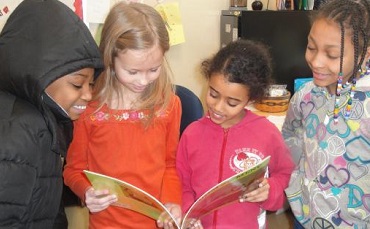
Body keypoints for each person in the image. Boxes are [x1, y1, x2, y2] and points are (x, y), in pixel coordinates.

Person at [63, 2, 182, 229]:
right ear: (110, 58)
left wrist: (173, 203)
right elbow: (73, 170)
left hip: (156, 222)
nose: (143, 80)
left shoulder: (169, 105)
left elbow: (170, 165)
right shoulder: (90, 109)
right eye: (132, 71)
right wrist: (86, 191)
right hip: (106, 224)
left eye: (154, 69)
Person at [0, 0, 104, 228]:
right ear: (38, 75)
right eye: (78, 85)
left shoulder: (42, 119)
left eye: (92, 84)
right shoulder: (24, 134)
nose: (88, 95)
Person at [176, 39, 295, 229]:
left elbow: (286, 176)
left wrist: (270, 190)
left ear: (251, 98)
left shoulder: (267, 133)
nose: (217, 107)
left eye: (232, 103)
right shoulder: (191, 134)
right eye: (213, 94)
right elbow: (182, 184)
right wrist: (188, 212)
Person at [282, 0, 370, 228]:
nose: (316, 61)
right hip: (305, 215)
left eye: (332, 55)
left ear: (365, 54)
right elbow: (290, 135)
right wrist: (293, 183)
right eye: (311, 47)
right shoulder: (305, 95)